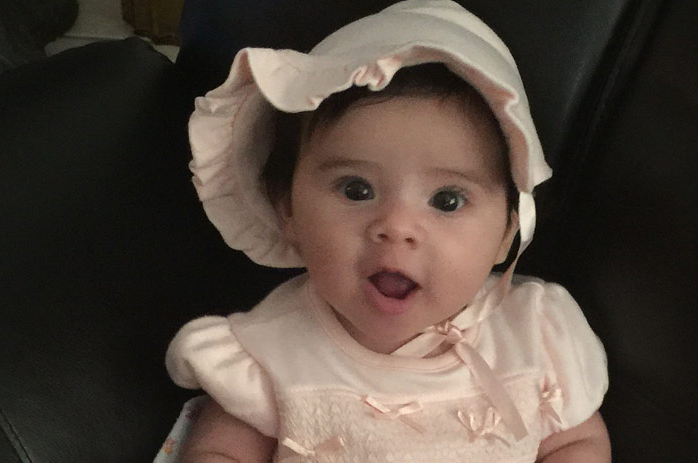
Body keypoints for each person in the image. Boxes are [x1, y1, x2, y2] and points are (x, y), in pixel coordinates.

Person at [164, 1, 609, 461]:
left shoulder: (535, 337)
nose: (395, 228)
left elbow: (577, 441)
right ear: (288, 211)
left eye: (447, 201)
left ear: (506, 233)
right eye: (356, 190)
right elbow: (221, 450)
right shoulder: (272, 351)